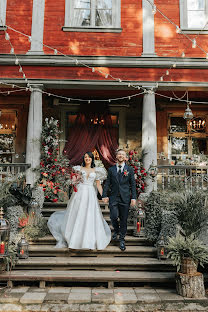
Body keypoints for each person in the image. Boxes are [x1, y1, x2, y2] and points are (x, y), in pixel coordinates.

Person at [48, 152, 111, 250]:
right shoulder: (78, 169)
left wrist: (103, 196)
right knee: (78, 213)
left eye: (89, 157)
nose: (87, 158)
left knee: (89, 215)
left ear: (92, 159)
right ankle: (74, 239)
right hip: (80, 193)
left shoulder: (97, 170)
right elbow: (73, 181)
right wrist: (74, 181)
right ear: (83, 159)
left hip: (90, 194)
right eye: (85, 157)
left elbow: (98, 185)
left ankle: (88, 240)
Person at [102, 149, 136, 251]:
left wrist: (133, 197)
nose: (120, 156)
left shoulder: (129, 169)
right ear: (116, 157)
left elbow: (133, 185)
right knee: (113, 216)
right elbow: (107, 183)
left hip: (125, 198)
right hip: (113, 197)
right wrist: (104, 195)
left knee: (124, 219)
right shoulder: (111, 170)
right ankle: (116, 230)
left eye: (122, 154)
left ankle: (121, 239)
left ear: (125, 157)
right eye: (119, 154)